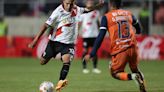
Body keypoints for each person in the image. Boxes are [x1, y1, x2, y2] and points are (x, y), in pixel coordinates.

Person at [28, 0, 104, 91]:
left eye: (71, 3)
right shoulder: (57, 12)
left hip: (68, 44)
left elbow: (88, 9)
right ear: (63, 2)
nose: (70, 6)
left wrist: (98, 5)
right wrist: (35, 40)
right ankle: (57, 58)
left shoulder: (76, 9)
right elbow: (45, 25)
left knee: (67, 61)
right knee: (42, 62)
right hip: (55, 42)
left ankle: (60, 82)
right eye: (68, 3)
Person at [84, 0, 147, 92]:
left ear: (110, 4)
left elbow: (101, 36)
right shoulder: (128, 13)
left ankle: (133, 77)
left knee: (115, 73)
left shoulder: (107, 17)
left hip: (120, 49)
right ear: (121, 4)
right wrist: (137, 31)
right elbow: (139, 28)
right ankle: (143, 89)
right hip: (133, 47)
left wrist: (92, 53)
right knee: (135, 68)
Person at [80, 0, 101, 74]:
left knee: (94, 51)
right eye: (89, 3)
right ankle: (84, 68)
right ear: (86, 4)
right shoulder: (83, 13)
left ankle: (95, 68)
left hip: (95, 35)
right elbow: (79, 23)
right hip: (86, 35)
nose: (90, 4)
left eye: (91, 3)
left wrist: (100, 32)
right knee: (85, 51)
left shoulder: (96, 12)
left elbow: (98, 23)